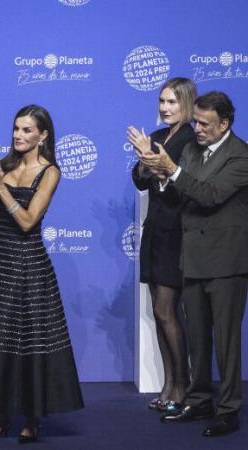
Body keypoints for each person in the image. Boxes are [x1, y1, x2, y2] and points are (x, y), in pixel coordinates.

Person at [0, 105, 83, 444]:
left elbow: (29, 222)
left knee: (30, 342)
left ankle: (32, 419)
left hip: (30, 266)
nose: (18, 135)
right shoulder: (4, 165)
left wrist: (1, 189)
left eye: (27, 130)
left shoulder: (50, 171)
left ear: (43, 135)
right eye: (16, 128)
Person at [140, 91, 248, 437]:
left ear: (224, 124)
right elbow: (178, 195)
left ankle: (228, 409)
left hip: (226, 262)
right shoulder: (191, 150)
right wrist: (157, 172)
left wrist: (171, 170)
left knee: (226, 342)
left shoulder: (241, 156)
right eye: (196, 121)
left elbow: (210, 195)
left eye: (204, 124)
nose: (197, 128)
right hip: (192, 258)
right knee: (198, 337)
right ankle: (199, 398)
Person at [128, 77, 196, 413]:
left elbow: (184, 187)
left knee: (168, 310)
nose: (165, 108)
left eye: (172, 102)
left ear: (186, 104)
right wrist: (145, 160)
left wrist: (159, 164)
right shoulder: (155, 138)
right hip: (154, 230)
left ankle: (182, 386)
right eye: (162, 101)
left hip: (179, 234)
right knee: (158, 310)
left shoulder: (191, 141)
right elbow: (139, 179)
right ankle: (168, 383)